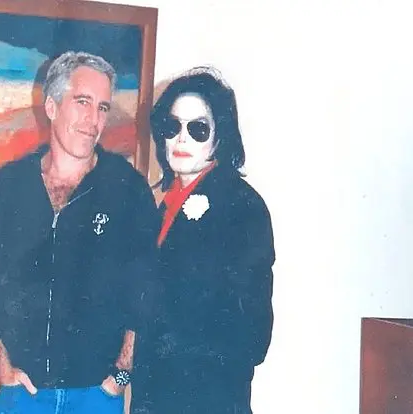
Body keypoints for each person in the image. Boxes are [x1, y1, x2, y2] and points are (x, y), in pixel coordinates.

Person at [0, 51, 160, 413]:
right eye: (82, 102)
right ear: (52, 106)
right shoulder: (7, 186)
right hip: (23, 393)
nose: (93, 120)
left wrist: (120, 377)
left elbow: (145, 290)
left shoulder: (128, 189)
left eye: (103, 107)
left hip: (96, 395)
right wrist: (2, 364)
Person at [130, 66, 276, 414]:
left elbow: (254, 336)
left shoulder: (242, 206)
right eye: (172, 127)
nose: (181, 139)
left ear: (220, 137)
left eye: (197, 129)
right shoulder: (160, 205)